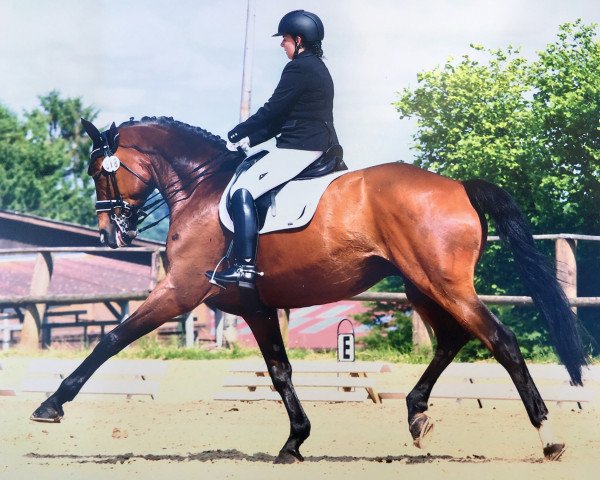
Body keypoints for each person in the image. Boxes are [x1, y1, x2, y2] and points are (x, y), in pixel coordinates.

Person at [206, 9, 339, 290]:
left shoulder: (299, 67)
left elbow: (272, 110)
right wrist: (249, 142)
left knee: (243, 190)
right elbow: (282, 118)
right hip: (313, 143)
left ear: (299, 40)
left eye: (286, 39)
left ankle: (244, 267)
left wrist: (236, 131)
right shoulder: (316, 66)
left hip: (301, 148)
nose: (282, 44)